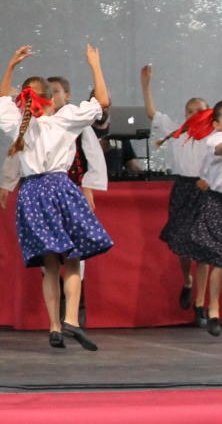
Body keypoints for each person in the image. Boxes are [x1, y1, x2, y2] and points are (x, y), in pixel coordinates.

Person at [0, 44, 113, 350]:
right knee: (72, 257)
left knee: (50, 264)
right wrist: (95, 64)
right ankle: (71, 319)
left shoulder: (16, 124)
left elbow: (2, 99)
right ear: (51, 100)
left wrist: (10, 65)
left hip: (31, 193)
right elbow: (102, 102)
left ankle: (54, 327)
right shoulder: (64, 119)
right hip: (59, 188)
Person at [141, 64, 211, 325]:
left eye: (199, 110)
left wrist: (211, 180)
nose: (194, 114)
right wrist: (146, 85)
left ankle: (200, 305)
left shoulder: (215, 136)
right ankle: (187, 280)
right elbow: (152, 114)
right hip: (183, 187)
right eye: (189, 111)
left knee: (203, 247)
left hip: (205, 189)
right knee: (181, 242)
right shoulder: (177, 131)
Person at [189, 101, 222, 337]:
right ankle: (213, 309)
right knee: (219, 259)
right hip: (217, 202)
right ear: (217, 124)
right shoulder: (213, 140)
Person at [90, 91, 143, 174]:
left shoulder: (118, 131)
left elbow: (131, 164)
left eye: (107, 105)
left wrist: (146, 176)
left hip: (116, 182)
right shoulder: (83, 132)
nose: (103, 109)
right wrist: (98, 149)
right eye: (100, 105)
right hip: (92, 180)